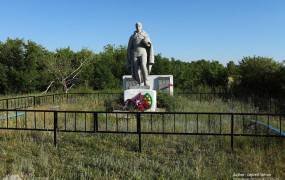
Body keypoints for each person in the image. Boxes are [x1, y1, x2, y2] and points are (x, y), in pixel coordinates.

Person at [127, 22, 154, 86]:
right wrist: (129, 56)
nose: (137, 27)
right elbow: (129, 47)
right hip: (134, 53)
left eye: (139, 26)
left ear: (141, 27)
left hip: (143, 52)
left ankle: (145, 82)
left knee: (143, 66)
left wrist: (146, 43)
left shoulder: (145, 34)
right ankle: (138, 82)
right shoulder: (132, 36)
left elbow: (149, 45)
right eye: (136, 26)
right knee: (135, 68)